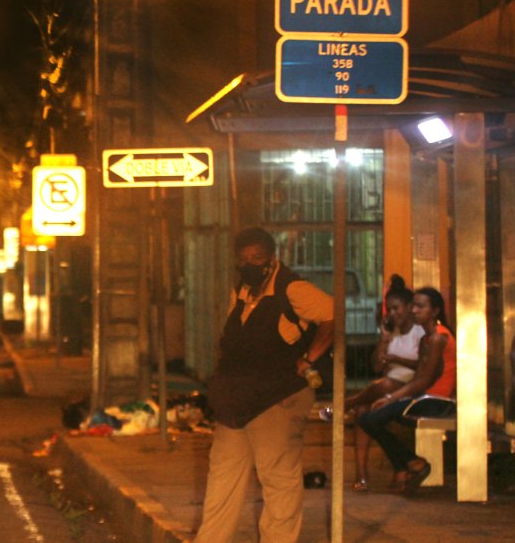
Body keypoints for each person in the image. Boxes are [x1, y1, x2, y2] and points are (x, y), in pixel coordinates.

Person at [195, 228, 334, 543]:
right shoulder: (242, 291)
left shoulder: (292, 287)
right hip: (237, 400)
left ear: (272, 259)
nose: (249, 265)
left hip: (278, 398)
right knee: (222, 479)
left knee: (278, 478)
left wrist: (310, 358)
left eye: (256, 259)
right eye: (243, 259)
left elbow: (331, 314)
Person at [325, 275, 424, 491]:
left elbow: (425, 367)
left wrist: (396, 359)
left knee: (385, 385)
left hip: (410, 387)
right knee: (364, 411)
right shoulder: (392, 333)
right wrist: (384, 339)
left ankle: (345, 404)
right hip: (388, 386)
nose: (393, 313)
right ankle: (362, 475)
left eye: (397, 308)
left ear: (409, 307)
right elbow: (376, 367)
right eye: (390, 309)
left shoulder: (420, 332)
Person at [356, 286, 457, 494]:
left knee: (370, 419)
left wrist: (392, 398)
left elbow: (424, 380)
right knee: (368, 416)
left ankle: (411, 463)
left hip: (436, 400)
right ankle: (409, 465)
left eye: (420, 307)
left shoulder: (439, 338)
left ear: (435, 311)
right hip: (421, 397)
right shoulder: (425, 339)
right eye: (414, 306)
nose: (414, 311)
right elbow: (418, 378)